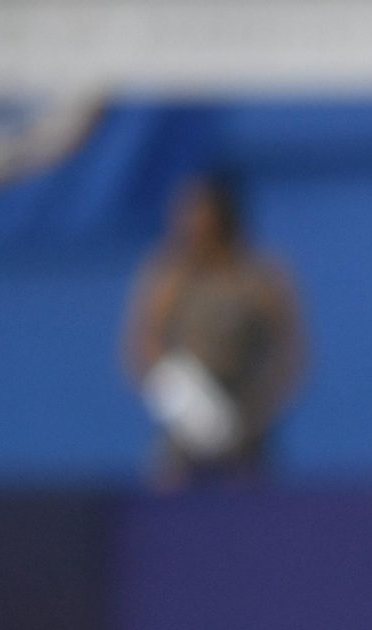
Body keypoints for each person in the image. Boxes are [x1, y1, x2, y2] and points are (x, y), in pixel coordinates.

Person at [121, 173, 305, 487]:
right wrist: (185, 406)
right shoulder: (168, 277)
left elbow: (290, 351)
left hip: (247, 426)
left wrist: (255, 414)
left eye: (199, 212)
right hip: (183, 431)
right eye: (184, 212)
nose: (190, 222)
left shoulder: (257, 277)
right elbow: (143, 345)